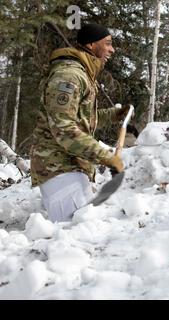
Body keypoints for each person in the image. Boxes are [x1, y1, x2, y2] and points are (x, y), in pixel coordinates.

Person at [30, 23, 131, 222]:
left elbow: (80, 118)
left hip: (74, 165)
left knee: (83, 229)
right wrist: (106, 157)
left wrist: (114, 114)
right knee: (70, 235)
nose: (112, 49)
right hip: (58, 167)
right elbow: (64, 129)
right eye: (108, 43)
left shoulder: (82, 73)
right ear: (92, 45)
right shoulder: (69, 76)